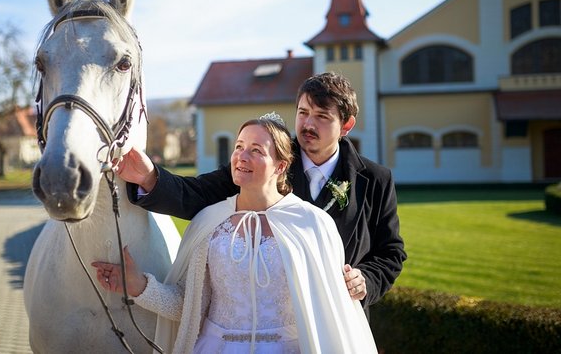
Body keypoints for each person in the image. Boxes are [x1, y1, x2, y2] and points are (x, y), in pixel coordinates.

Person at [121, 72, 406, 316]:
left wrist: (366, 279)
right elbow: (197, 194)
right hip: (267, 320)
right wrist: (149, 177)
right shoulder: (263, 163)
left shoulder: (376, 180)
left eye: (322, 117)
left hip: (335, 319)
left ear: (346, 125)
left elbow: (390, 252)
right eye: (303, 112)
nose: (308, 125)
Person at [93, 114, 378, 353]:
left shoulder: (312, 223)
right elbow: (189, 307)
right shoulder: (210, 222)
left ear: (280, 166)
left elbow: (332, 314)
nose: (242, 156)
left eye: (256, 150)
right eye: (239, 146)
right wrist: (139, 286)